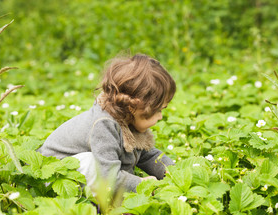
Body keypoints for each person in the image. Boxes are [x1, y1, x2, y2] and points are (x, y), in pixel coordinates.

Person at [38, 54, 176, 193]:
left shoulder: (129, 118)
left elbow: (148, 155)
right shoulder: (104, 124)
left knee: (103, 168)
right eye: (158, 110)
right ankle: (103, 205)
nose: (160, 117)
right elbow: (109, 178)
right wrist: (140, 184)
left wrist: (173, 172)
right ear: (133, 106)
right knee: (91, 163)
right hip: (54, 173)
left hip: (86, 175)